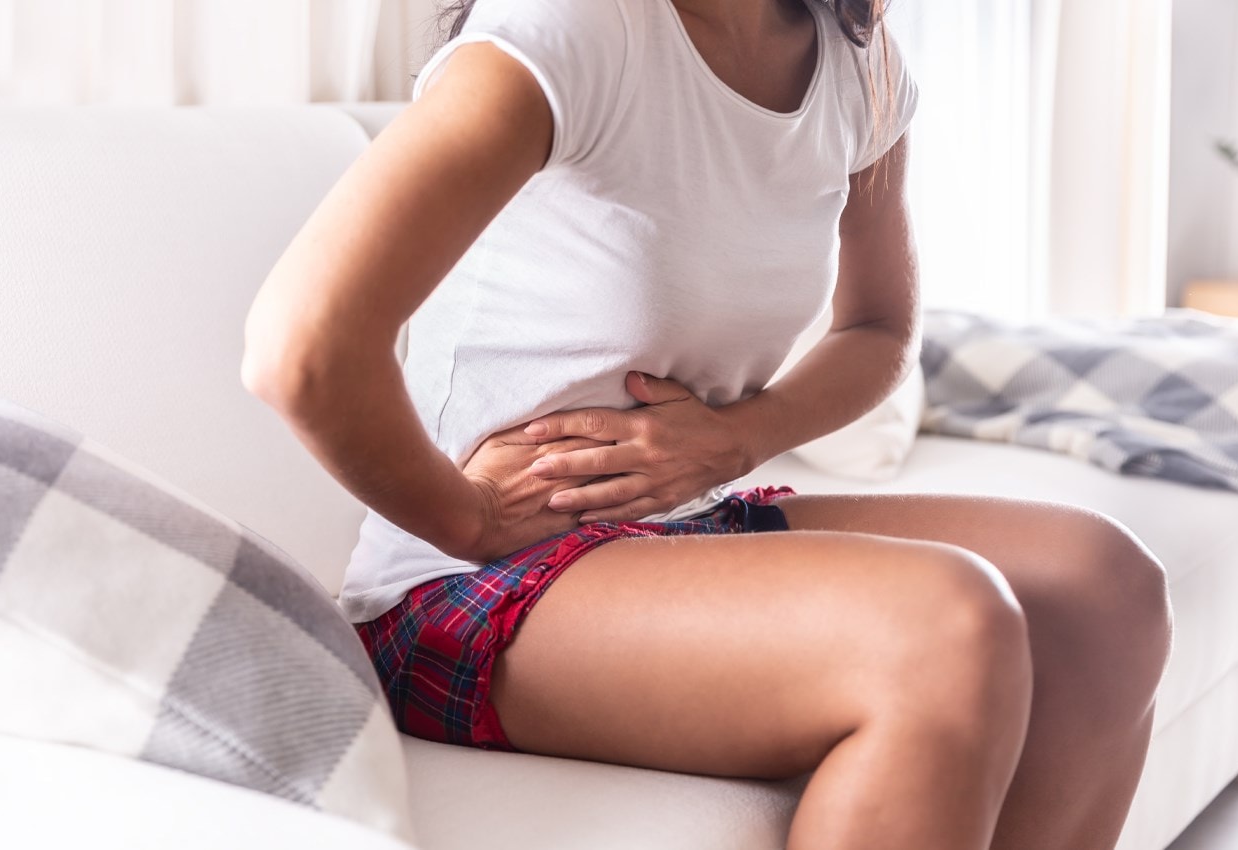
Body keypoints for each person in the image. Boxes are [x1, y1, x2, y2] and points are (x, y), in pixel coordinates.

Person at [241, 0, 1173, 846]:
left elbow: (878, 327)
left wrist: (739, 437)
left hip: (678, 531)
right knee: (945, 628)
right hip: (467, 590)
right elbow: (302, 349)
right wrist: (468, 517)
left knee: (1106, 588)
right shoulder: (573, 30)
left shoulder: (859, 62)